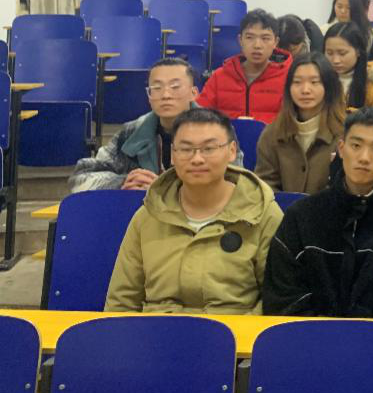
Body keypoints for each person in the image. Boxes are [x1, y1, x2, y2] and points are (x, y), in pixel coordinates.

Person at [104, 107, 283, 313]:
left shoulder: (263, 214)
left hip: (236, 330)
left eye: (209, 148)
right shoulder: (148, 216)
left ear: (232, 151)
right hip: (157, 329)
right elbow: (121, 301)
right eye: (186, 149)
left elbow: (275, 301)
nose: (197, 159)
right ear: (172, 154)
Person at [262, 107, 373, 318]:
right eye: (356, 146)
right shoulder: (301, 216)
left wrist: (365, 335)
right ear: (342, 149)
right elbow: (283, 298)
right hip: (309, 336)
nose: (364, 157)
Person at [70, 58, 201, 192]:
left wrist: (162, 188)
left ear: (194, 93)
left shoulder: (212, 132)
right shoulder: (132, 132)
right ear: (149, 96)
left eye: (175, 87)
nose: (166, 95)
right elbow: (81, 179)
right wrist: (124, 182)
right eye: (157, 88)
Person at [255, 52, 345, 194]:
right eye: (297, 82)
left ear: (328, 87)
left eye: (314, 82)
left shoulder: (344, 133)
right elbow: (265, 185)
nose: (305, 90)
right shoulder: (272, 133)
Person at [196, 9, 292, 122]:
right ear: (240, 40)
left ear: (275, 42)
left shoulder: (287, 78)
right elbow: (200, 117)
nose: (257, 45)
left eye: (265, 38)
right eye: (250, 37)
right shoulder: (219, 77)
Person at [324, 22, 373, 114]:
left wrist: (349, 114)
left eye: (342, 53)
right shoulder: (318, 76)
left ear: (358, 51)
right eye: (329, 53)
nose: (335, 60)